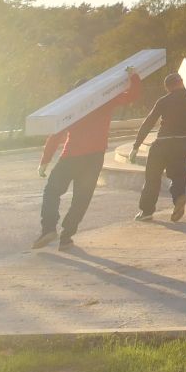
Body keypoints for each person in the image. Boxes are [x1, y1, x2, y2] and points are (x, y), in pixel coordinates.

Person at [33, 66, 143, 250]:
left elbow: (56, 135)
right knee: (81, 198)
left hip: (70, 157)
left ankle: (49, 229)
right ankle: (66, 237)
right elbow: (132, 96)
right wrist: (134, 77)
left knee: (52, 191)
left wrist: (44, 161)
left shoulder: (72, 107)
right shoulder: (104, 101)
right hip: (94, 158)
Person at [130, 72, 186, 222]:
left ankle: (146, 212)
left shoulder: (163, 100)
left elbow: (148, 122)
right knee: (178, 174)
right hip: (183, 142)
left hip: (163, 142)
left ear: (167, 88)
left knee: (152, 177)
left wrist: (136, 146)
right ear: (181, 82)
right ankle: (179, 197)